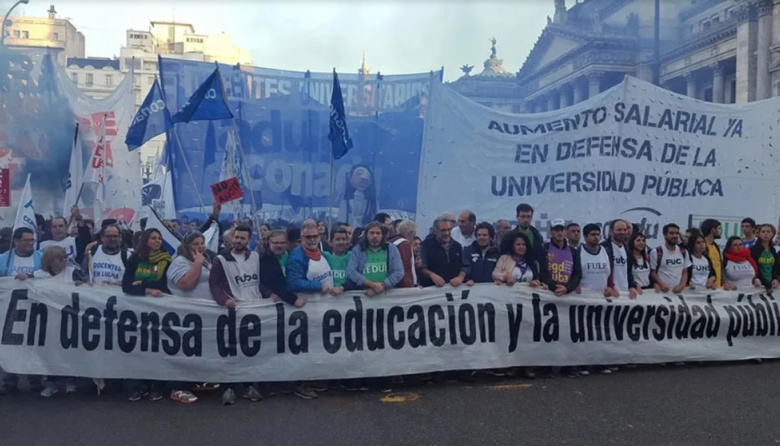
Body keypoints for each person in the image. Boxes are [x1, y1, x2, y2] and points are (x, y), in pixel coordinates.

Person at [209, 225, 274, 404]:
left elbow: (259, 282)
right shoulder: (221, 259)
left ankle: (249, 386)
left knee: (250, 350)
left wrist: (269, 294)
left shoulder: (255, 257)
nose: (238, 241)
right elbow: (214, 284)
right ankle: (228, 388)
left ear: (249, 240)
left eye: (242, 238)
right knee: (230, 350)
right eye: (236, 237)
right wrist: (224, 300)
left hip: (254, 310)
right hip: (233, 311)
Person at [121, 228, 172, 402]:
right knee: (141, 348)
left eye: (160, 238)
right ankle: (140, 384)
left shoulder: (166, 260)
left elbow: (165, 284)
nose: (158, 241)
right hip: (139, 311)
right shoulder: (135, 259)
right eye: (153, 238)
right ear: (145, 241)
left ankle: (157, 385)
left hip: (160, 311)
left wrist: (141, 282)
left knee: (157, 346)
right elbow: (127, 285)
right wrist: (148, 288)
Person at [34, 246, 78, 397]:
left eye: (65, 257)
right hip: (48, 320)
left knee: (68, 350)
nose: (65, 260)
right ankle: (51, 383)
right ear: (50, 262)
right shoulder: (39, 275)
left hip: (69, 318)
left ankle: (70, 380)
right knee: (50, 352)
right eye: (60, 258)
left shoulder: (73, 273)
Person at [346, 221, 404, 295]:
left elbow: (399, 272)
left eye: (378, 233)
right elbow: (351, 271)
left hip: (387, 294)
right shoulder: (358, 249)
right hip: (363, 293)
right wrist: (372, 285)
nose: (375, 236)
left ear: (383, 235)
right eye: (372, 233)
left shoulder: (391, 249)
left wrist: (383, 285)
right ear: (366, 234)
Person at [286, 222, 335, 297]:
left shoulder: (321, 253)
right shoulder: (296, 257)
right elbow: (294, 282)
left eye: (315, 236)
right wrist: (319, 286)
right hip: (309, 304)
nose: (312, 240)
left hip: (328, 302)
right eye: (308, 237)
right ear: (302, 238)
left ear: (319, 237)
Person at [419, 216, 467, 288]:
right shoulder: (426, 245)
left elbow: (465, 266)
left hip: (454, 290)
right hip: (432, 290)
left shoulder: (457, 246)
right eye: (443, 230)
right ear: (435, 231)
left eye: (449, 230)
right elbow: (422, 267)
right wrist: (432, 275)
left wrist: (460, 277)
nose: (447, 233)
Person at [601, 219, 639, 299]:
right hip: (608, 294)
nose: (622, 232)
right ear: (611, 231)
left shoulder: (627, 251)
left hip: (624, 294)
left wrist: (632, 286)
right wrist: (610, 286)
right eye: (619, 230)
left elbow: (629, 271)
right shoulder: (603, 248)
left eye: (624, 230)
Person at [576, 224, 617, 298]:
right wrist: (575, 285)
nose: (596, 237)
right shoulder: (578, 252)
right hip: (584, 297)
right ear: (585, 237)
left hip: (603, 297)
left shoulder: (606, 251)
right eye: (593, 234)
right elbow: (574, 273)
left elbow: (609, 273)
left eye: (598, 234)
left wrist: (610, 287)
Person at [543, 219, 581, 296]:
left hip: (567, 293)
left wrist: (567, 287)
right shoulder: (544, 249)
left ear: (565, 232)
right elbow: (542, 272)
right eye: (556, 230)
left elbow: (577, 273)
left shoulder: (573, 251)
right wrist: (554, 287)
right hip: (548, 292)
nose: (559, 233)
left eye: (562, 230)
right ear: (551, 232)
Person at [650, 224, 690, 294]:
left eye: (677, 233)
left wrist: (682, 285)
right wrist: (661, 284)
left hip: (680, 292)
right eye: (671, 233)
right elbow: (652, 272)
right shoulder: (656, 251)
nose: (675, 236)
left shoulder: (684, 252)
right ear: (665, 235)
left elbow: (685, 271)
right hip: (663, 292)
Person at [750, 224, 780, 290]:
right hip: (758, 284)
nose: (766, 234)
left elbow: (775, 268)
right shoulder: (753, 250)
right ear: (759, 234)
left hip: (772, 283)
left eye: (768, 232)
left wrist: (775, 279)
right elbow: (754, 268)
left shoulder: (774, 250)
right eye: (763, 232)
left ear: (772, 234)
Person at [388, 220, 417, 287]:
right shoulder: (405, 244)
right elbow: (405, 267)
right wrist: (409, 284)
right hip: (403, 285)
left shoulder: (391, 242)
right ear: (411, 232)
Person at [324, 226, 351, 291]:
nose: (341, 242)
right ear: (330, 242)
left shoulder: (353, 256)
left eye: (344, 239)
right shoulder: (323, 257)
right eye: (338, 239)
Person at [701, 218, 722, 288]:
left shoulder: (715, 246)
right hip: (707, 288)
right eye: (719, 228)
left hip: (718, 288)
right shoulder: (702, 247)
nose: (720, 231)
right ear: (713, 230)